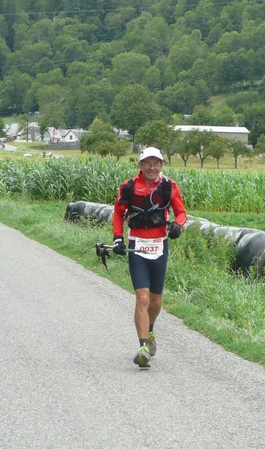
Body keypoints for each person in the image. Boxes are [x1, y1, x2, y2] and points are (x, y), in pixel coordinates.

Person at [112, 146, 187, 368]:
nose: (151, 167)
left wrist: (177, 225)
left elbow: (181, 212)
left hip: (159, 246)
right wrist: (118, 239)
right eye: (147, 163)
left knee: (155, 300)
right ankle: (143, 346)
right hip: (137, 246)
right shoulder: (129, 187)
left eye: (156, 163)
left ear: (161, 165)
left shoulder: (169, 186)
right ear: (140, 166)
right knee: (142, 298)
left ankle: (150, 328)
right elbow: (118, 212)